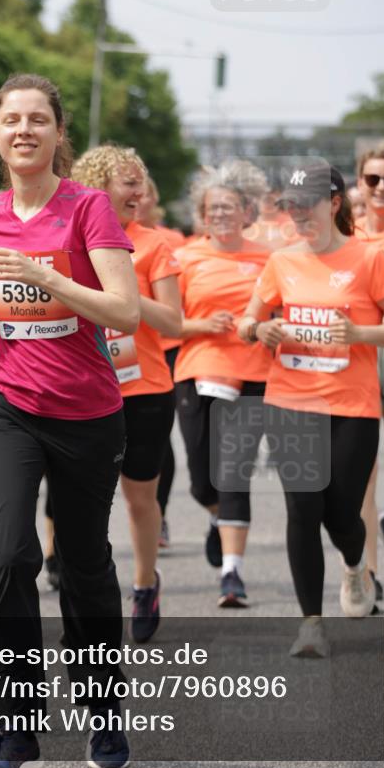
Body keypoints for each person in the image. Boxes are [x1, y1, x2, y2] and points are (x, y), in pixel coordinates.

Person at [0, 73, 139, 768]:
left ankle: (103, 712)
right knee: (10, 550)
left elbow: (124, 311)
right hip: (6, 399)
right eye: (11, 120)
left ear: (58, 135)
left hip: (86, 410)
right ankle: (13, 728)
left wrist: (47, 277)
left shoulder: (88, 209)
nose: (23, 130)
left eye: (37, 120)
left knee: (83, 563)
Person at [239, 164, 384, 657]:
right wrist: (258, 330)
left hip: (352, 404)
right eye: (290, 207)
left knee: (341, 514)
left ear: (332, 204)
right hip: (290, 400)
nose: (298, 216)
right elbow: (250, 318)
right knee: (302, 509)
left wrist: (359, 335)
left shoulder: (369, 259)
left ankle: (355, 566)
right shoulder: (281, 261)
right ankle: (311, 624)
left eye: (306, 206)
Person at [72, 146, 182, 640]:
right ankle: (86, 593)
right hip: (80, 388)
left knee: (140, 498)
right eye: (129, 183)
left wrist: (123, 297)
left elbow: (173, 321)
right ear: (98, 186)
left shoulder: (154, 244)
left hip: (144, 389)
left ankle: (143, 582)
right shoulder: (70, 238)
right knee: (83, 503)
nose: (140, 193)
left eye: (141, 183)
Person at [173, 162, 272, 607]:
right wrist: (201, 324)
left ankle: (232, 574)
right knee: (200, 480)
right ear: (201, 213)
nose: (220, 214)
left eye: (229, 207)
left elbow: (283, 309)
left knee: (234, 472)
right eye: (213, 208)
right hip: (197, 370)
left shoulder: (269, 258)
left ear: (247, 211)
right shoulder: (186, 257)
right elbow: (165, 321)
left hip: (253, 377)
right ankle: (215, 518)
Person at [354, 145, 384, 589]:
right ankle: (367, 572)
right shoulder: (346, 237)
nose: (382, 187)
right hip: (358, 358)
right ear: (360, 184)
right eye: (373, 179)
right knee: (362, 471)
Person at [136, 177, 186, 548]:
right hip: (104, 356)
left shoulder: (166, 242)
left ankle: (160, 513)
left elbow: (175, 312)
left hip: (161, 350)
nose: (137, 199)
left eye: (144, 193)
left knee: (155, 446)